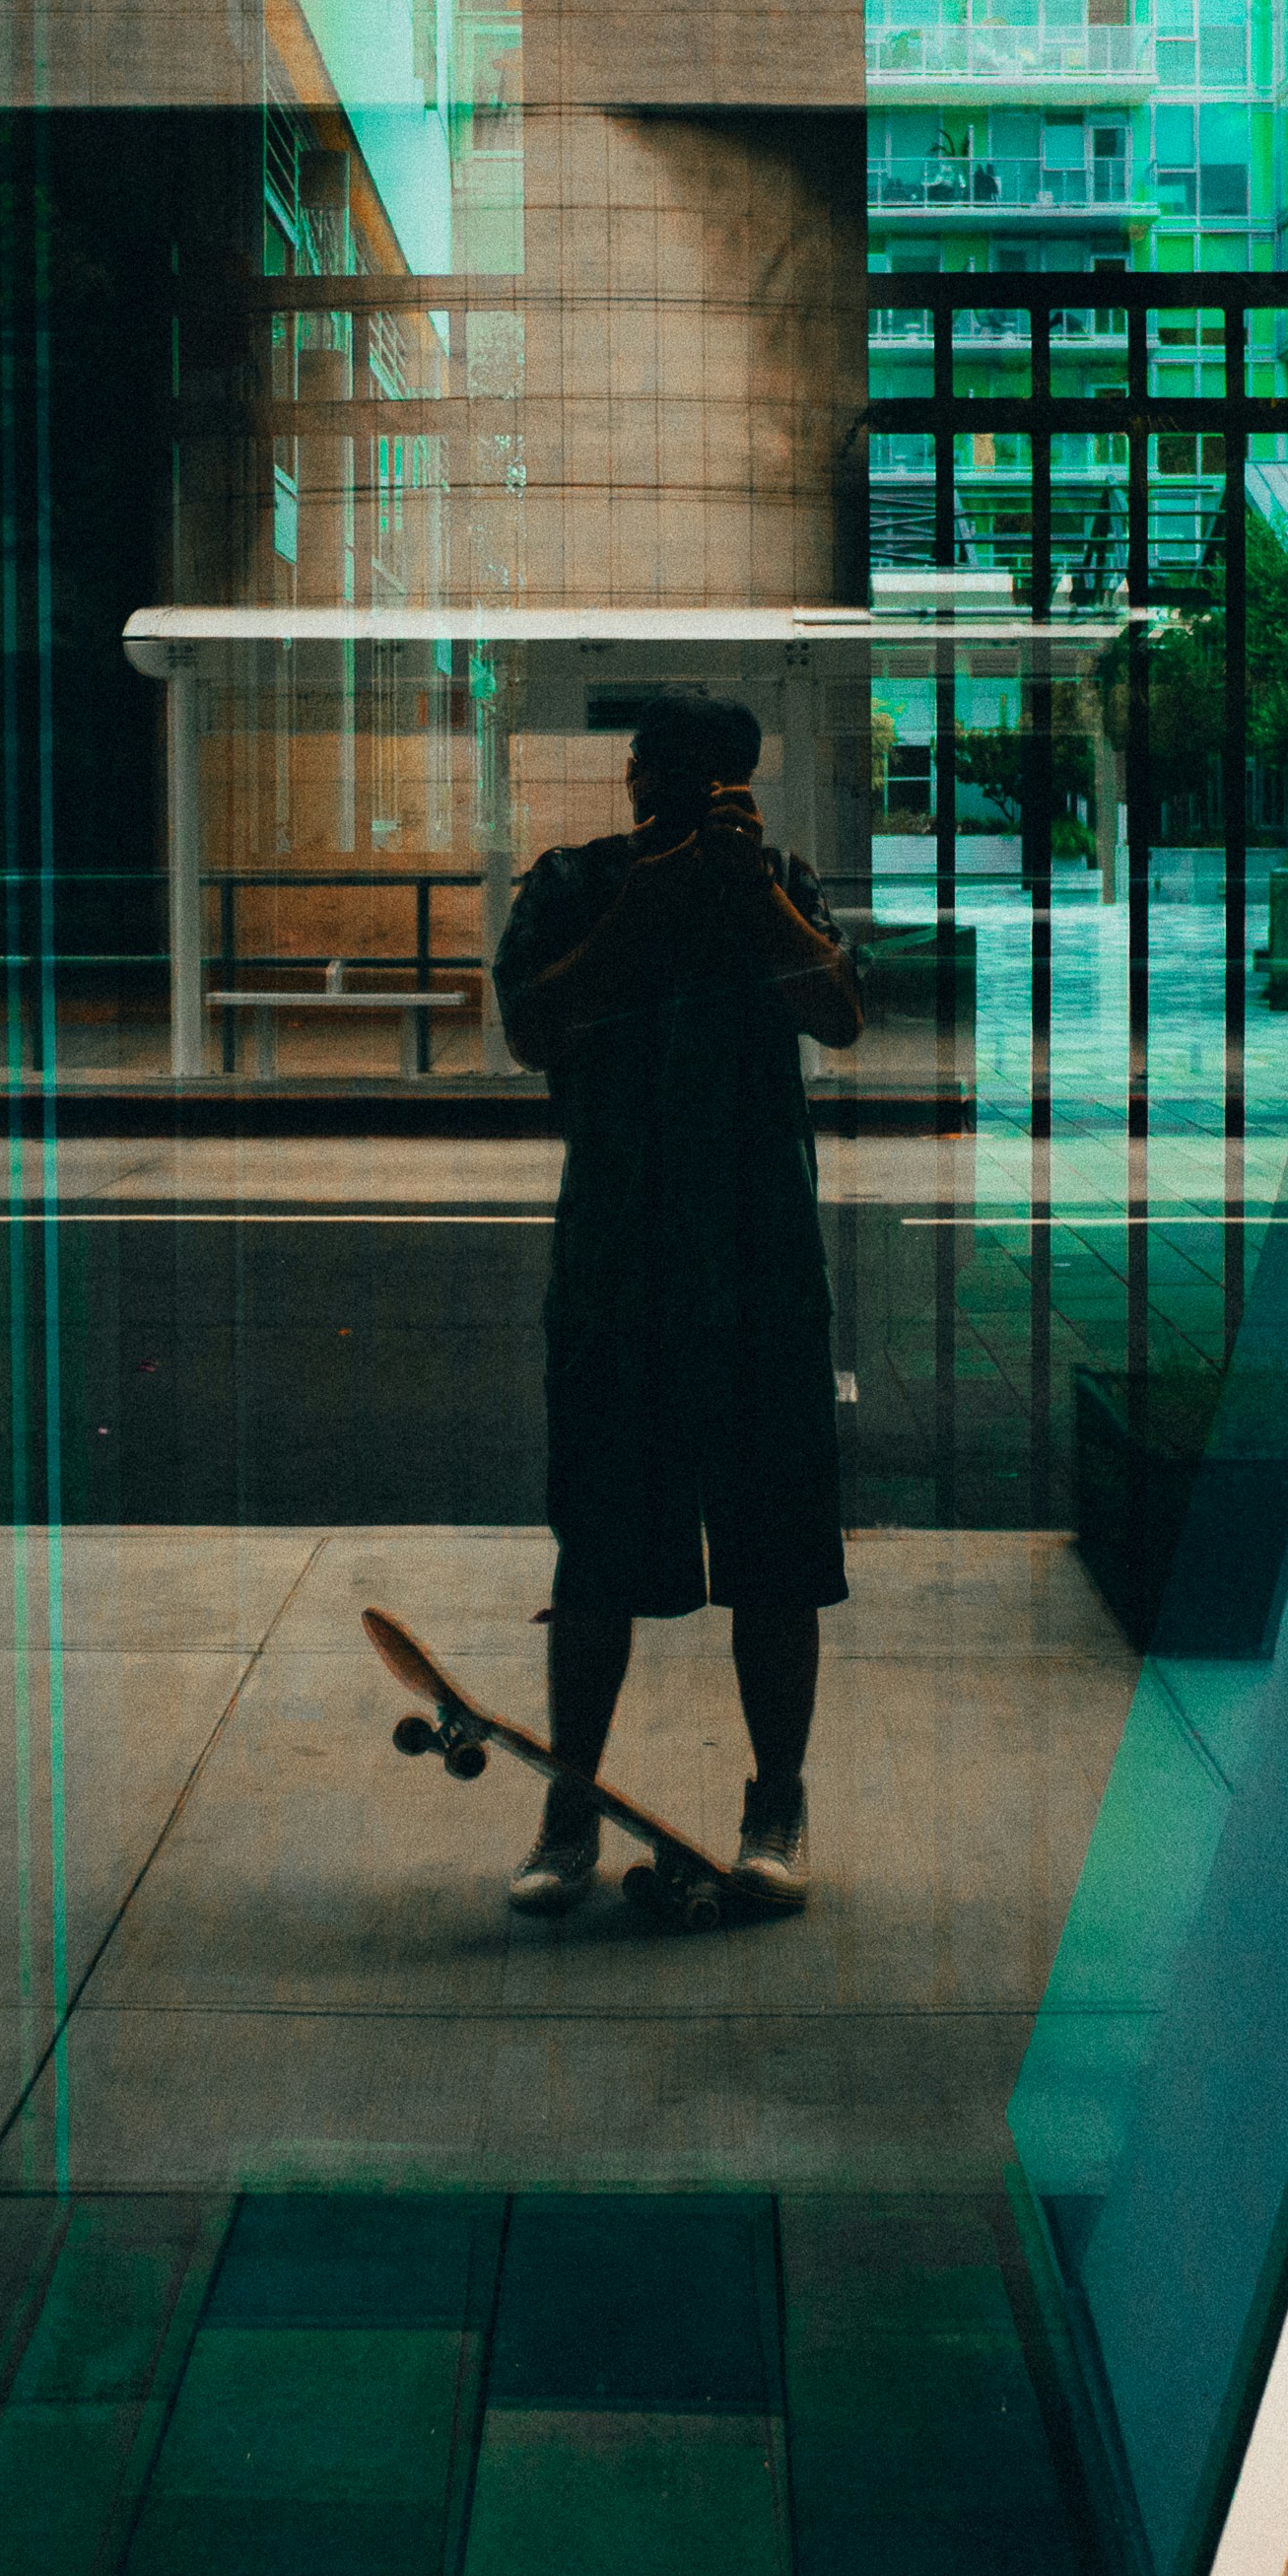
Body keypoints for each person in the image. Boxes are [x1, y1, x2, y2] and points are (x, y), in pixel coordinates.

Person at [492, 691, 862, 1917]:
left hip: (759, 1272)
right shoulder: (573, 883)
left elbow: (838, 1015)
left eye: (687, 781)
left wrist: (748, 888)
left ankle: (777, 1801)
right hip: (615, 1272)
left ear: (731, 790)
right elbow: (530, 1028)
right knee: (597, 1553)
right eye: (650, 772)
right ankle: (568, 1806)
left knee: (777, 1557)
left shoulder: (776, 885)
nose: (653, 793)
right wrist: (644, 906)